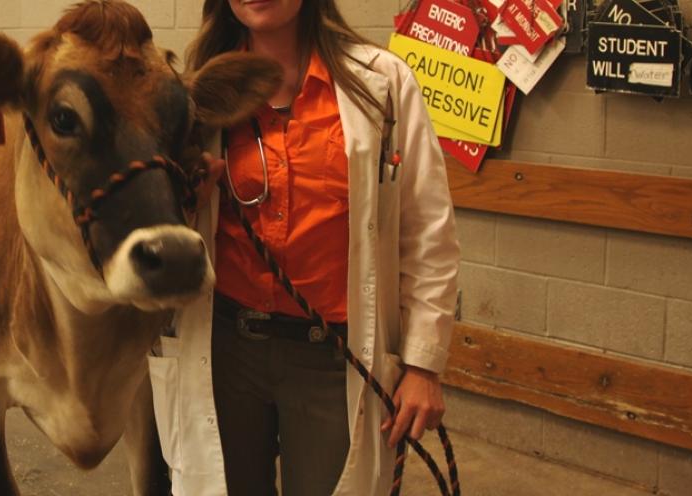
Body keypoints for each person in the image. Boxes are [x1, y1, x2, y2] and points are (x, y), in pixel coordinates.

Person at [147, 0, 460, 494]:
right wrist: (188, 198)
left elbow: (427, 232)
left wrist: (423, 365)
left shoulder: (383, 84)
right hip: (225, 350)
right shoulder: (194, 95)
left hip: (331, 359)